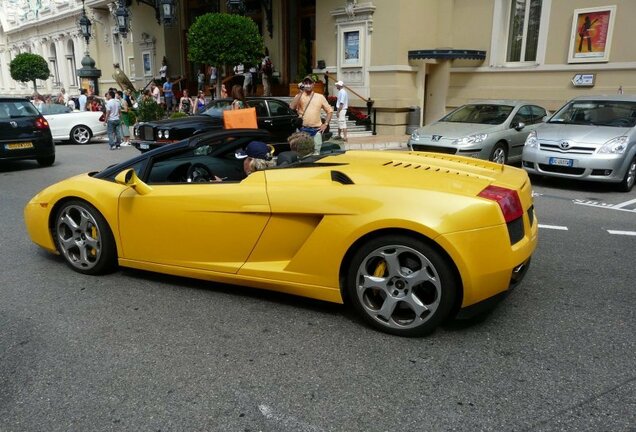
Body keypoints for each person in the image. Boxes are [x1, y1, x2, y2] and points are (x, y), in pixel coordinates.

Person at [290, 75, 333, 154]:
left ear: (313, 84)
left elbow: (329, 111)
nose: (308, 85)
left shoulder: (320, 97)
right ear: (303, 84)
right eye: (306, 83)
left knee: (316, 153)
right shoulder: (299, 96)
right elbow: (292, 107)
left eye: (310, 83)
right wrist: (300, 92)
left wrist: (326, 124)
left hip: (316, 130)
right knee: (302, 153)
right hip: (302, 130)